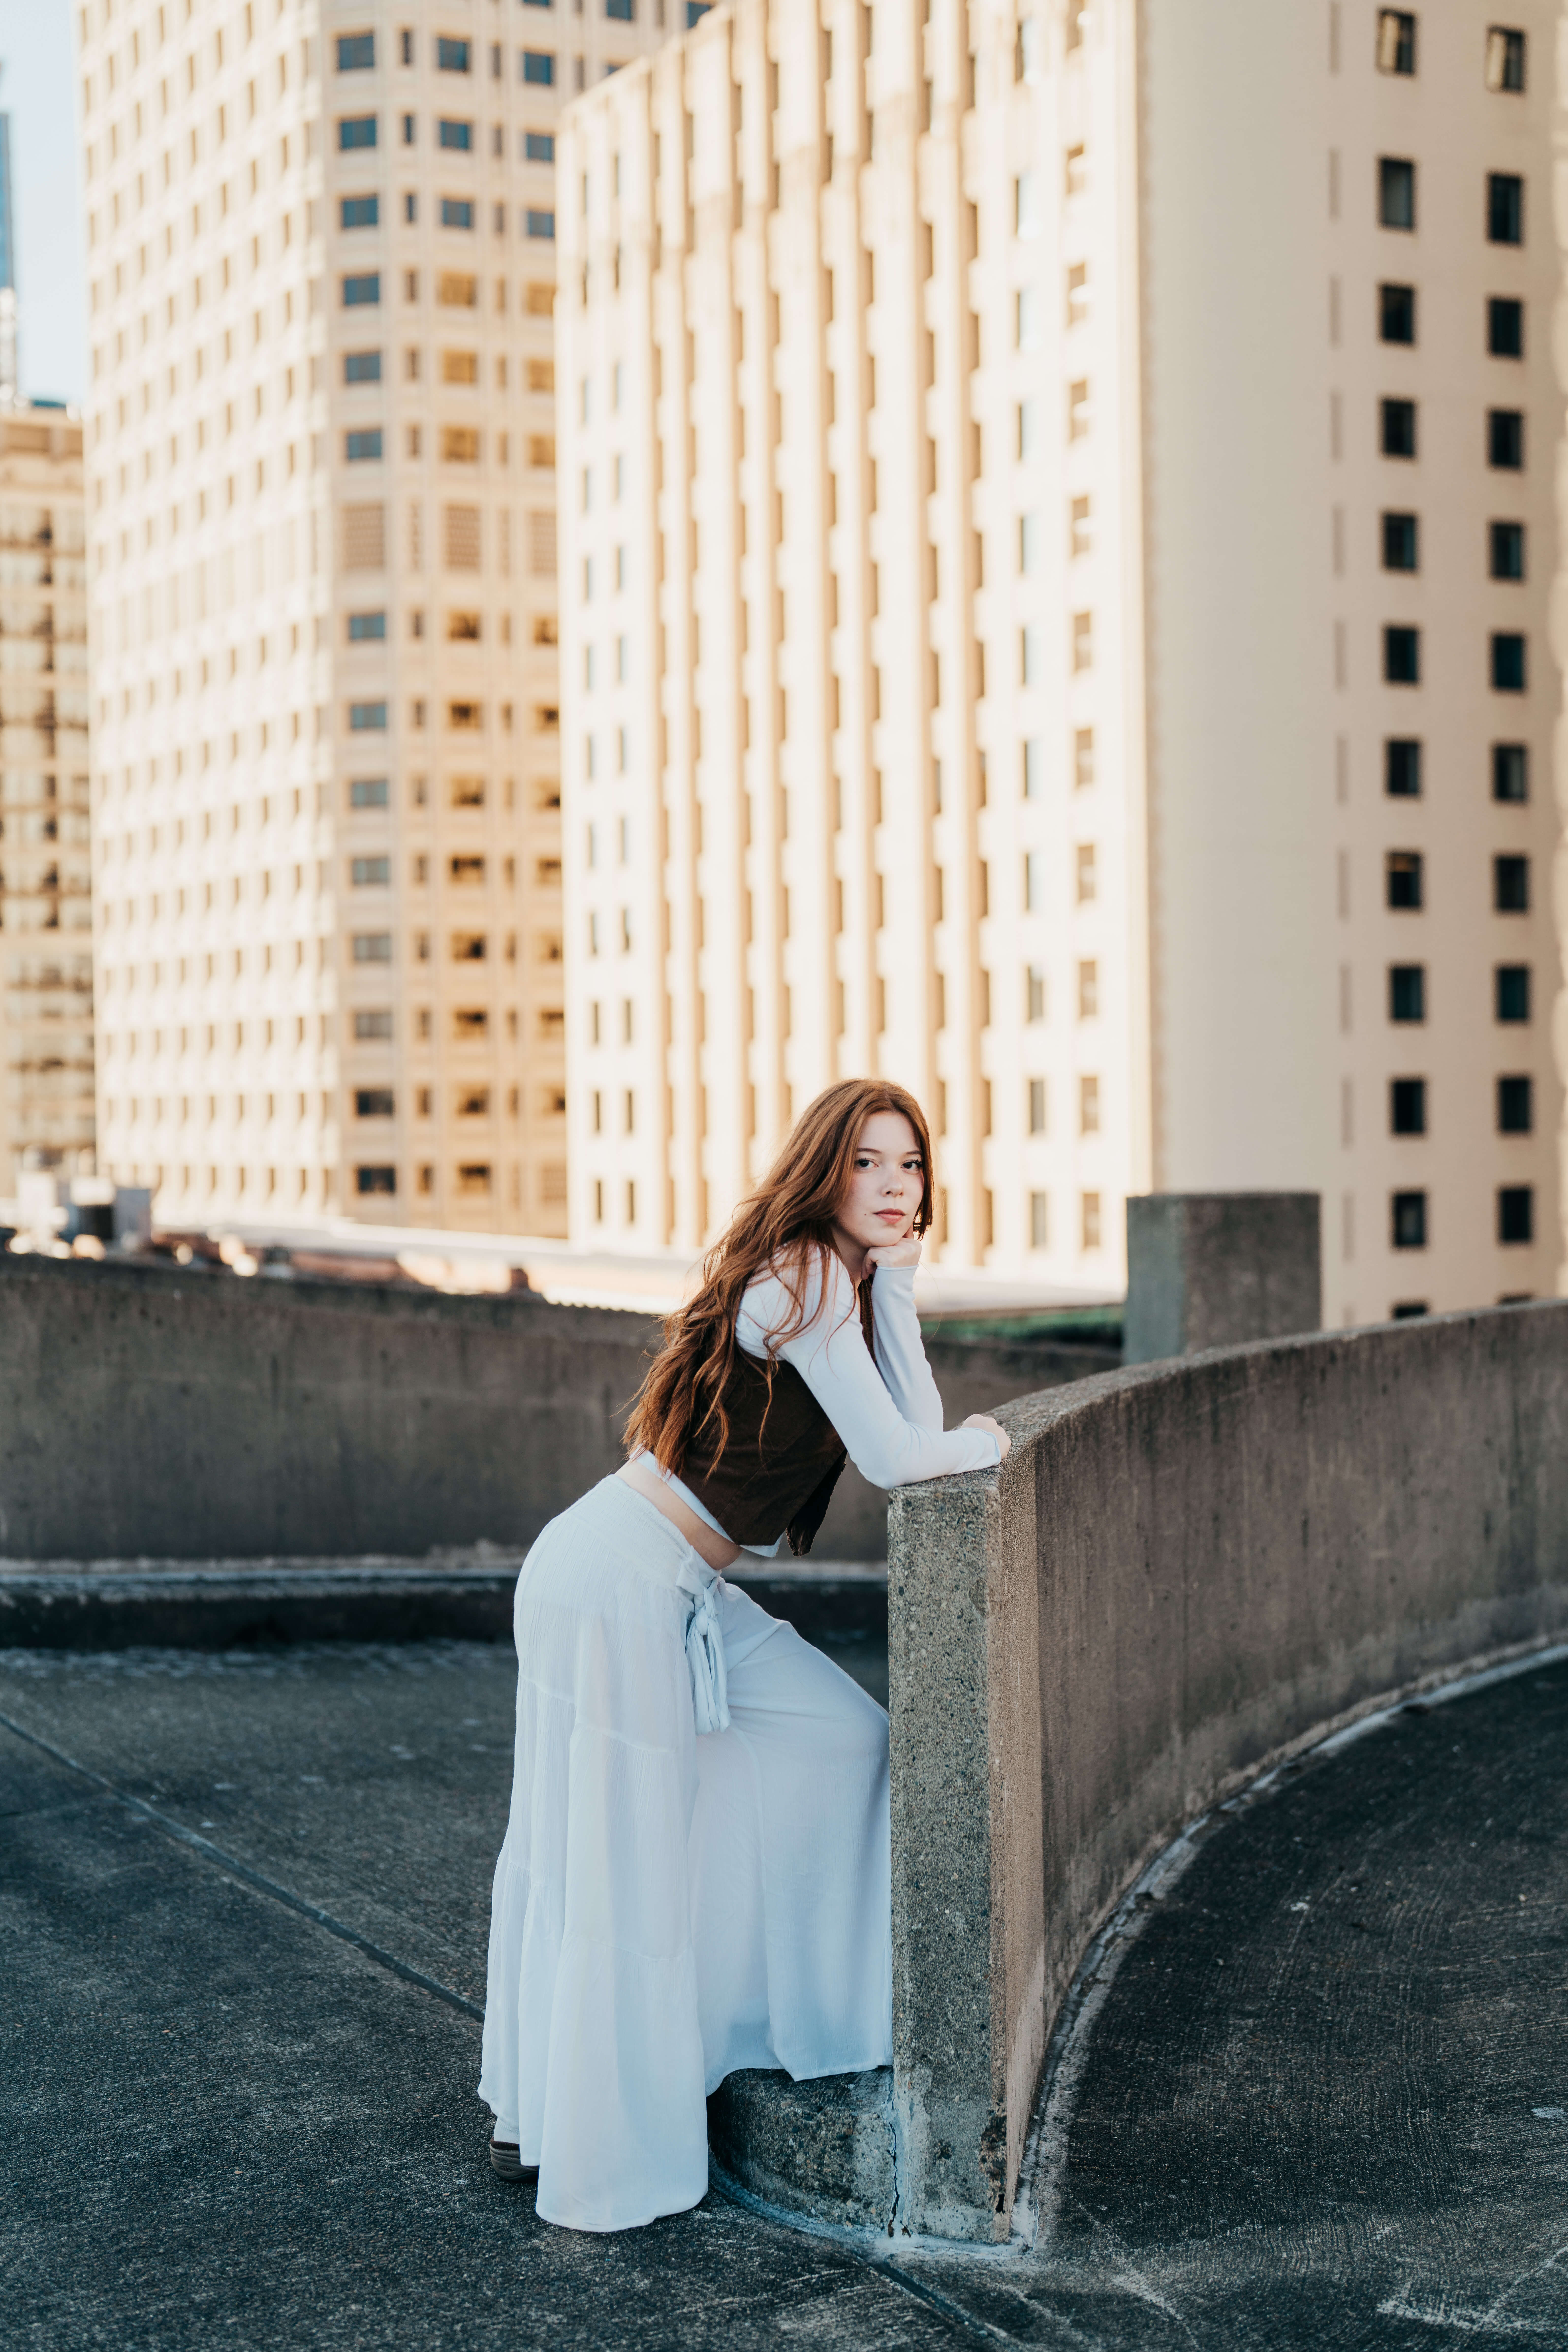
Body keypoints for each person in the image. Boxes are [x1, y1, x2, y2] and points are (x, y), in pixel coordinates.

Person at [478, 1078, 1011, 2232]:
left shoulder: (852, 1281)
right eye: (867, 1162)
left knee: (843, 1738)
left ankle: (733, 2017)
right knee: (618, 1854)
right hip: (617, 1578)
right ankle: (597, 2150)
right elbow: (898, 1453)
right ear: (827, 1169)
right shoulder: (810, 1271)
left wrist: (907, 1288)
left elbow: (907, 1419)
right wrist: (979, 1440)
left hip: (672, 1587)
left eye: (910, 1166)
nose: (891, 1185)